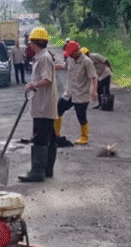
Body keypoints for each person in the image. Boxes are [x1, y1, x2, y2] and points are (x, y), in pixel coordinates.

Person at [18, 27, 58, 182]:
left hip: (43, 106)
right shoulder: (42, 57)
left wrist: (32, 85)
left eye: (31, 43)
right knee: (50, 137)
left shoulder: (44, 58)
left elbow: (47, 80)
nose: (30, 46)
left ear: (37, 43)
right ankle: (47, 170)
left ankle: (37, 171)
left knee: (40, 138)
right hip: (43, 105)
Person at [54, 41, 97, 146]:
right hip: (69, 93)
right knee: (58, 109)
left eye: (71, 53)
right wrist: (53, 66)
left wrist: (94, 90)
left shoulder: (87, 62)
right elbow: (64, 66)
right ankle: (55, 134)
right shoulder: (70, 59)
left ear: (77, 51)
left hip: (81, 94)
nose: (70, 56)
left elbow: (94, 77)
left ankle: (84, 137)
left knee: (81, 116)